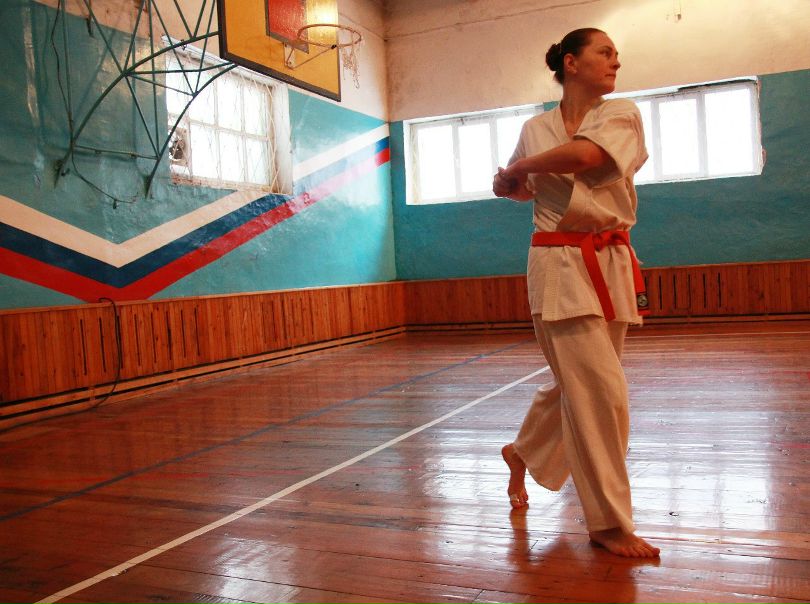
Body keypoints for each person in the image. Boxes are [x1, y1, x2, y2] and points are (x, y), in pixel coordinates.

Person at [492, 28, 660, 558]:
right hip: (558, 263)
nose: (616, 62)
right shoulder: (534, 128)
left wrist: (522, 167)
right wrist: (507, 183)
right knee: (601, 391)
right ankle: (608, 523)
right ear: (571, 62)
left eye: (616, 54)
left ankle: (522, 451)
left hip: (609, 261)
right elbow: (521, 191)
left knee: (582, 384)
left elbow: (587, 156)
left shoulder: (621, 114)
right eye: (604, 53)